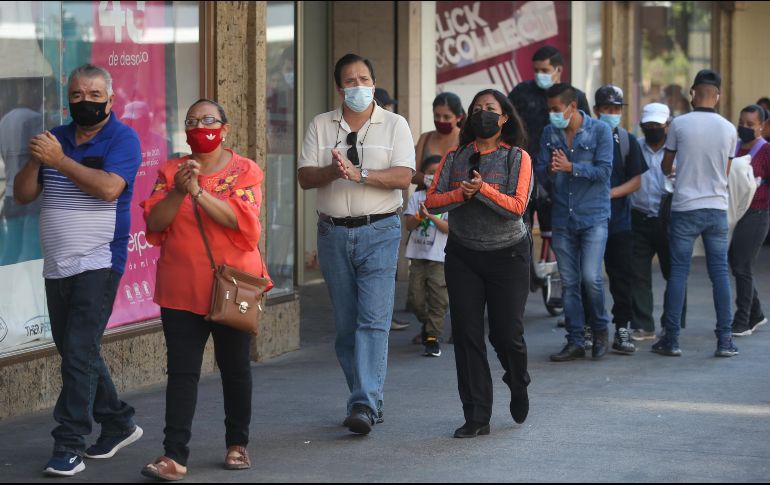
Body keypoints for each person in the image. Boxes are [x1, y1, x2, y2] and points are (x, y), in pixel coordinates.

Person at [13, 64, 143, 477]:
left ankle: (68, 443)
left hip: (99, 262)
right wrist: (38, 160)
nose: (84, 101)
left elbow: (108, 189)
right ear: (67, 97)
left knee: (78, 354)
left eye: (93, 94)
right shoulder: (55, 138)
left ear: (110, 98)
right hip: (57, 265)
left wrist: (60, 160)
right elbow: (21, 194)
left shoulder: (123, 138)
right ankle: (118, 421)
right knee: (76, 351)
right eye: (76, 95)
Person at [139, 99, 269, 480]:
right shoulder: (170, 171)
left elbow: (243, 225)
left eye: (209, 120)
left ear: (225, 128)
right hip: (180, 288)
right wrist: (179, 191)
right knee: (181, 373)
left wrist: (198, 192)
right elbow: (156, 224)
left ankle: (237, 444)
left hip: (232, 288)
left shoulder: (245, 170)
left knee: (235, 367)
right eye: (192, 121)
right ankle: (173, 455)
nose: (200, 126)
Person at [297, 53, 415, 435]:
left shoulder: (395, 124)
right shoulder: (320, 124)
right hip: (332, 233)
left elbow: (403, 177)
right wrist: (332, 171)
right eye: (350, 81)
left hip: (380, 230)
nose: (358, 87)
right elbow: (304, 177)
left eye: (365, 79)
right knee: (347, 326)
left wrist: (360, 174)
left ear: (374, 83)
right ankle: (365, 399)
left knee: (373, 321)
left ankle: (363, 402)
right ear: (339, 87)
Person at [426, 88, 533, 438]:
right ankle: (476, 415)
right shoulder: (456, 157)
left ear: (503, 119)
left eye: (490, 109)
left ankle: (517, 380)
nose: (482, 114)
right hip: (463, 256)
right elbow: (433, 202)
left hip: (508, 256)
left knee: (506, 334)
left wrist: (483, 190)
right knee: (468, 336)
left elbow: (516, 207)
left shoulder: (516, 157)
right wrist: (462, 193)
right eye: (476, 109)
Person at [656, 69, 739, 358]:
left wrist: (679, 170)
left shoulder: (679, 124)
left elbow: (666, 166)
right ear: (718, 95)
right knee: (719, 274)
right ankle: (725, 340)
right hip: (716, 209)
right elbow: (725, 173)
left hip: (685, 208)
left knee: (679, 272)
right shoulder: (730, 129)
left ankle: (672, 339)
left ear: (693, 93)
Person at [535, 83, 614, 362]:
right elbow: (541, 172)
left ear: (572, 106)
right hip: (562, 217)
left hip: (593, 215)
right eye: (550, 110)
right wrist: (549, 168)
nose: (552, 115)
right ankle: (575, 340)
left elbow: (605, 172)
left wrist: (571, 168)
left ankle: (601, 330)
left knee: (591, 278)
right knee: (569, 282)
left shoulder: (600, 130)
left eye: (556, 110)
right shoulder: (549, 132)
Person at [508, 46, 590, 296]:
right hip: (524, 171)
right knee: (519, 228)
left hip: (561, 173)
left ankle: (561, 286)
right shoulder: (522, 92)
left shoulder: (575, 96)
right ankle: (525, 278)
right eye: (536, 70)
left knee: (557, 231)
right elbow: (507, 123)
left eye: (545, 70)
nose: (539, 75)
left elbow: (587, 131)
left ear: (558, 70)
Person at [589, 85, 648, 354]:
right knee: (587, 278)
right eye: (607, 109)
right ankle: (591, 326)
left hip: (619, 223)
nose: (612, 113)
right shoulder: (584, 138)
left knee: (621, 277)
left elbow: (636, 181)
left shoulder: (626, 140)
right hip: (588, 222)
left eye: (616, 109)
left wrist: (609, 193)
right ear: (596, 110)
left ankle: (621, 327)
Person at [629, 103, 687, 341]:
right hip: (639, 217)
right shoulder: (635, 147)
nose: (652, 129)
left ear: (668, 126)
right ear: (642, 126)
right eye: (648, 125)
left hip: (671, 219)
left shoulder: (680, 151)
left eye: (657, 125)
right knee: (637, 273)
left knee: (674, 272)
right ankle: (643, 324)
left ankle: (672, 323)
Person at [729, 104, 770, 337]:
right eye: (741, 122)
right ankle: (757, 314)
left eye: (750, 125)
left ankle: (742, 319)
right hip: (734, 213)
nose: (744, 127)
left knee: (743, 266)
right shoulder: (734, 147)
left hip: (756, 214)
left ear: (761, 126)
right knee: (735, 264)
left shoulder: (765, 151)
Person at [404, 155, 449, 357]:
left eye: (438, 172)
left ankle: (432, 338)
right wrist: (420, 216)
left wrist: (431, 215)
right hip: (418, 255)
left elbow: (449, 228)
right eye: (430, 172)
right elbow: (408, 225)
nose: (434, 176)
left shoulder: (449, 198)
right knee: (415, 298)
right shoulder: (416, 198)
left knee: (439, 298)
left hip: (439, 257)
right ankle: (428, 324)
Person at [412, 92, 465, 188]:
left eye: (447, 117)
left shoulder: (465, 139)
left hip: (455, 199)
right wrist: (427, 179)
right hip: (424, 199)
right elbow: (412, 174)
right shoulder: (425, 138)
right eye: (437, 116)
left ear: (459, 117)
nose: (441, 120)